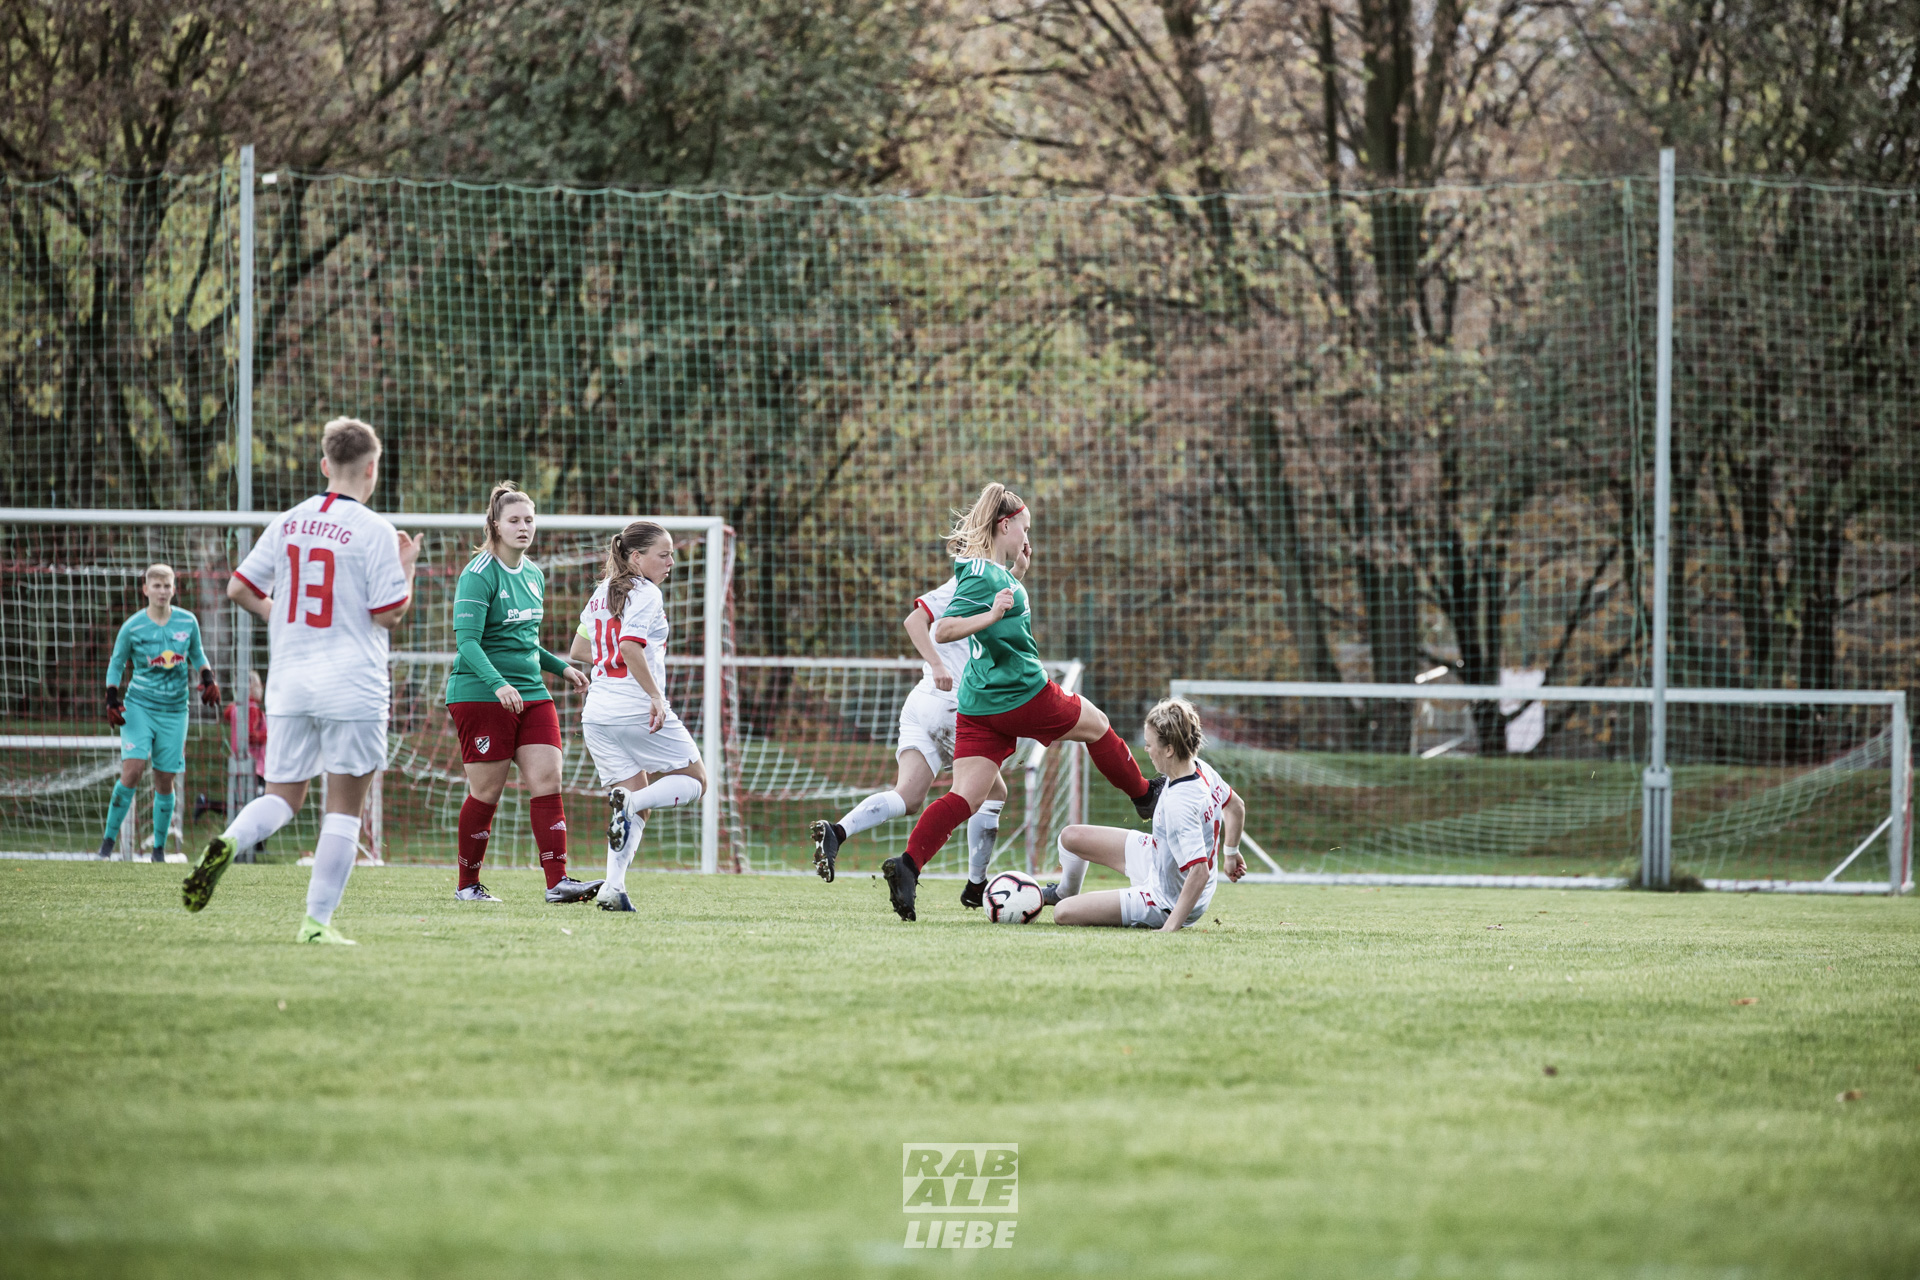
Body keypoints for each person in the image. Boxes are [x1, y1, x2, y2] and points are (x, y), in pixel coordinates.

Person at [182, 417, 422, 945]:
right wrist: (407, 567)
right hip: (352, 686)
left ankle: (226, 840)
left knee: (283, 797)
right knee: (343, 809)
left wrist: (284, 618)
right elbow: (388, 615)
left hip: (289, 682)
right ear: (372, 469)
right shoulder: (377, 531)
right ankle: (315, 924)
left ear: (323, 465)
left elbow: (240, 588)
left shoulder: (290, 520)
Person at [881, 483, 1163, 921]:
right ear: (1004, 524)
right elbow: (946, 629)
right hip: (1023, 692)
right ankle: (1144, 795)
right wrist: (992, 613)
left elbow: (997, 608)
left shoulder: (990, 570)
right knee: (1099, 725)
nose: (1027, 537)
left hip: (979, 703)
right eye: (1024, 529)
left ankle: (908, 866)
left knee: (965, 797)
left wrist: (1017, 572)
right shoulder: (980, 573)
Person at [809, 540, 1033, 904]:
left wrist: (1019, 573)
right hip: (949, 702)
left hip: (921, 703)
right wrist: (938, 664)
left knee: (908, 796)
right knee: (993, 792)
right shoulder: (965, 585)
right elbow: (914, 621)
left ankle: (837, 832)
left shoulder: (987, 582)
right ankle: (976, 887)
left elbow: (998, 600)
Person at [445, 482, 600, 904]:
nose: (523, 527)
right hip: (480, 693)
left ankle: (558, 883)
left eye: (529, 519)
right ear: (495, 525)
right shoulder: (478, 574)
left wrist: (563, 667)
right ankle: (467, 885)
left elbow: (525, 641)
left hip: (531, 692)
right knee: (487, 792)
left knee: (548, 777)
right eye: (514, 520)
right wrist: (498, 685)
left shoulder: (533, 574)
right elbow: (468, 643)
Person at [568, 521, 707, 912]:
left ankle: (613, 888)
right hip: (633, 710)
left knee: (638, 803)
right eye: (663, 554)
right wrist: (655, 696)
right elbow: (629, 646)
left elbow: (580, 646)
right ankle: (625, 805)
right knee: (697, 781)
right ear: (636, 557)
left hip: (597, 714)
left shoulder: (601, 593)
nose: (671, 562)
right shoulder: (645, 592)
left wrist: (607, 665)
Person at [1048, 697, 1248, 931]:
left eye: (1149, 744)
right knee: (1071, 836)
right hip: (1157, 858)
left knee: (1063, 913)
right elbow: (1236, 806)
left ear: (1169, 749)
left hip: (1167, 900)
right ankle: (1063, 892)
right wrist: (1231, 853)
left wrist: (1170, 927)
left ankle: (1072, 901)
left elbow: (1199, 872)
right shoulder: (1201, 768)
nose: (1146, 749)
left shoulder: (1180, 804)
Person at [99, 564, 220, 861]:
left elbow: (197, 654)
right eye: (157, 586)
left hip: (175, 711)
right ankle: (106, 846)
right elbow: (116, 663)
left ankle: (158, 851)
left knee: (165, 779)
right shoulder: (133, 626)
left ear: (174, 589)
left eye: (167, 586)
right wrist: (112, 698)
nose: (162, 591)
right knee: (133, 770)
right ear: (145, 589)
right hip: (139, 706)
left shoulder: (187, 621)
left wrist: (207, 678)